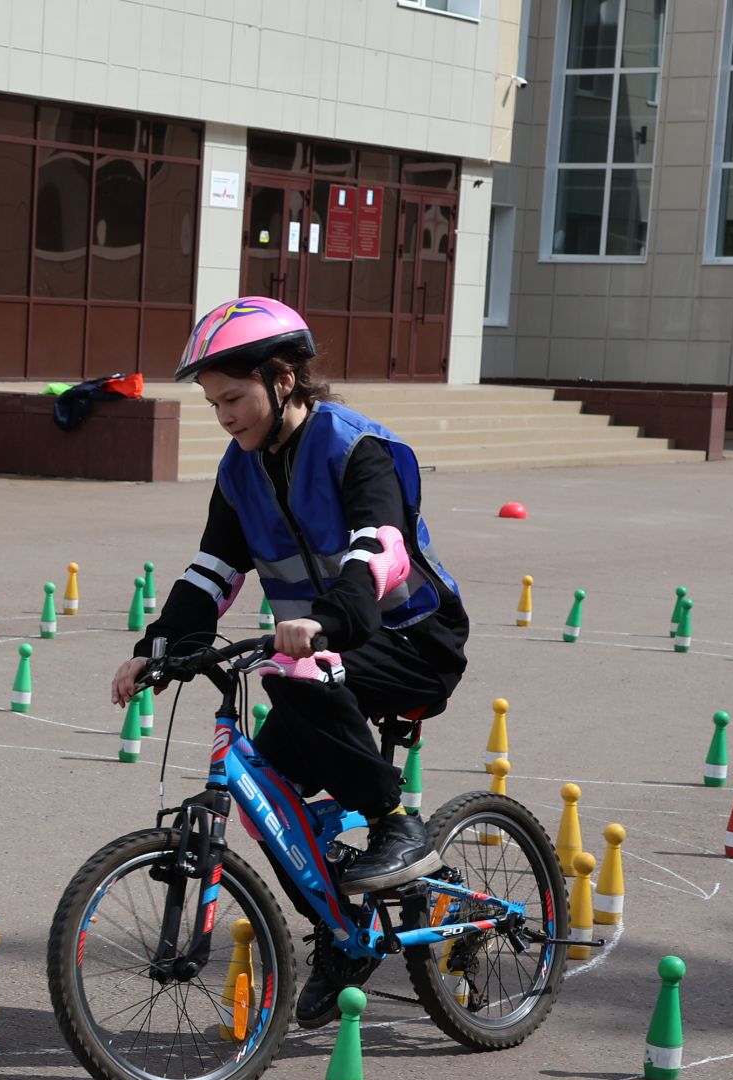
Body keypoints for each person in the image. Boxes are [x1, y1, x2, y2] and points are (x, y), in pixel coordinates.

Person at [110, 297, 470, 1028]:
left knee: (296, 678)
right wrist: (157, 647)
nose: (226, 418)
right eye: (214, 405)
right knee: (263, 797)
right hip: (324, 647)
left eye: (234, 399)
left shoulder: (354, 448)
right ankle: (343, 934)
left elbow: (381, 550)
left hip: (409, 640)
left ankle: (393, 821)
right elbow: (213, 568)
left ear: (284, 379)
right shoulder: (241, 471)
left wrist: (328, 619)